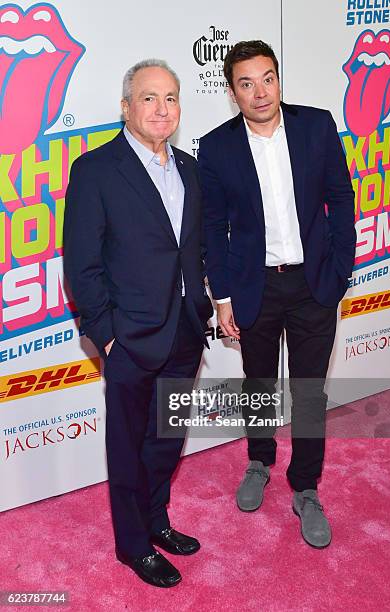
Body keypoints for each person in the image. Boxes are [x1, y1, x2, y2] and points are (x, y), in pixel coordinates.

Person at [198, 41, 356, 548]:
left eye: (267, 78)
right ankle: (260, 461)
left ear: (278, 79)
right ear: (231, 92)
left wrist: (340, 272)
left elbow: (341, 199)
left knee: (310, 390)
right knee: (259, 380)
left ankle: (306, 486)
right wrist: (221, 297)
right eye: (246, 83)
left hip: (314, 285)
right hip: (254, 286)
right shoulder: (217, 147)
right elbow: (213, 227)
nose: (259, 91)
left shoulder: (316, 125)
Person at [63, 59, 213, 587]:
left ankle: (157, 522)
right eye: (149, 98)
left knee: (165, 442)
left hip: (186, 332)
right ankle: (132, 546)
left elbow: (192, 252)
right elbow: (81, 264)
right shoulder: (96, 170)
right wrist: (106, 334)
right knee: (127, 447)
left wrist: (206, 307)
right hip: (129, 339)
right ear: (126, 107)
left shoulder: (191, 169)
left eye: (170, 98)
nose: (161, 108)